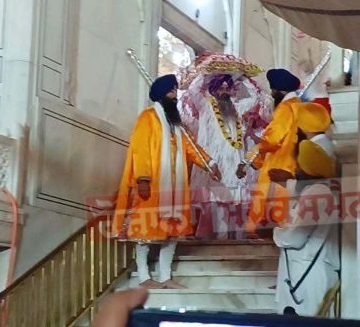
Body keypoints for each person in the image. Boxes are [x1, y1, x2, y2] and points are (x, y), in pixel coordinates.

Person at [111, 74, 221, 289]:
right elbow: (140, 149)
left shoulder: (177, 126)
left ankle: (165, 277)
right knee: (145, 231)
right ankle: (144, 277)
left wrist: (209, 163)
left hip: (175, 189)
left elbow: (191, 149)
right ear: (161, 94)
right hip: (152, 186)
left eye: (176, 91)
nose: (175, 95)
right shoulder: (148, 118)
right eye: (171, 91)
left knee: (172, 232)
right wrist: (142, 178)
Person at [178, 53, 272, 239]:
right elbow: (194, 90)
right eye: (219, 88)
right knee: (215, 203)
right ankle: (218, 240)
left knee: (236, 204)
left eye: (227, 88)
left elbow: (255, 98)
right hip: (213, 163)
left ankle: (237, 240)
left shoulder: (238, 109)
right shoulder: (205, 106)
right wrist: (209, 72)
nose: (224, 92)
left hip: (235, 163)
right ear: (213, 90)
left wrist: (242, 76)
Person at [274, 103, 339, 316]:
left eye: (300, 165)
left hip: (307, 273)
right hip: (306, 269)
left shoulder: (317, 193)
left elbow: (295, 238)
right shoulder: (318, 189)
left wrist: (277, 231)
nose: (297, 169)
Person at [238, 68, 303, 234]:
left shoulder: (285, 108)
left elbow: (272, 140)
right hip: (292, 165)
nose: (272, 94)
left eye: (273, 90)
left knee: (269, 213)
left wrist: (248, 161)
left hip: (278, 166)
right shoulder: (299, 106)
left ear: (280, 91)